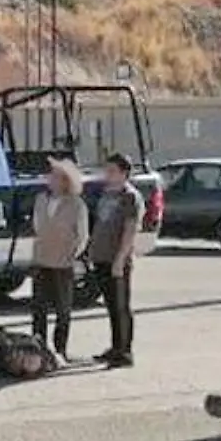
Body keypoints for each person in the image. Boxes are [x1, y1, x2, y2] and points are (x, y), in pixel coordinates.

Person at [30, 158, 89, 360]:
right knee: (39, 307)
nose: (50, 179)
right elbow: (38, 226)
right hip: (41, 259)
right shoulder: (41, 199)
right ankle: (38, 347)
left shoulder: (76, 204)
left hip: (63, 262)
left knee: (63, 309)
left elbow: (82, 235)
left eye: (55, 176)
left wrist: (72, 254)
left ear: (66, 181)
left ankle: (60, 349)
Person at [88, 152, 143, 368]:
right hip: (101, 256)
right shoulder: (106, 193)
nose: (107, 175)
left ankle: (125, 351)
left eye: (112, 171)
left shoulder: (129, 196)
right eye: (106, 170)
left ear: (124, 173)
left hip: (117, 258)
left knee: (121, 306)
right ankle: (115, 346)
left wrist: (121, 258)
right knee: (111, 305)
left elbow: (130, 230)